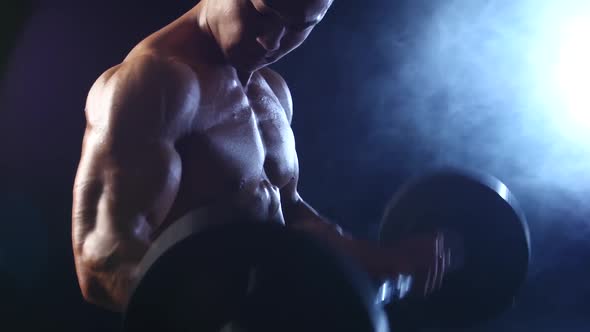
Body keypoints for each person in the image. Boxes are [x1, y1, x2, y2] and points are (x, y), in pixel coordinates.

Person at [72, 0, 456, 313]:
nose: (271, 40)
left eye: (299, 26)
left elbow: (288, 214)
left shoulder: (271, 91)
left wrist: (380, 260)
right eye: (263, 13)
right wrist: (228, 314)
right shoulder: (157, 83)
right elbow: (101, 261)